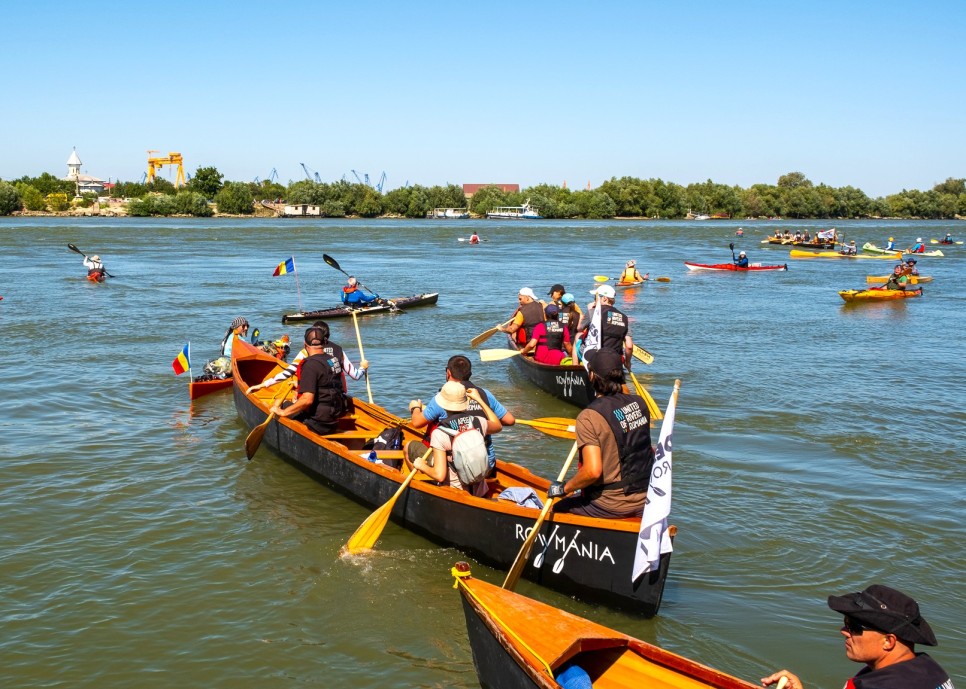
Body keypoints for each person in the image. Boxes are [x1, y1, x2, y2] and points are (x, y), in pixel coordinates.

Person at [761, 584, 952, 689]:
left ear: (888, 641)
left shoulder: (866, 686)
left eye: (853, 627)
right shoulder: (934, 672)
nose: (844, 632)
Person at [548, 349, 654, 518]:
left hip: (611, 505)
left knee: (557, 508)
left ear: (592, 376)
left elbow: (592, 471)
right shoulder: (640, 404)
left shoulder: (589, 416)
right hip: (647, 497)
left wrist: (563, 488)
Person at [409, 354, 515, 473]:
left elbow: (417, 423)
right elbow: (509, 420)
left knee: (409, 447)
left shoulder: (443, 398)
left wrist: (415, 408)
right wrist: (484, 419)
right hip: (487, 464)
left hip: (457, 467)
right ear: (469, 374)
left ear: (448, 373)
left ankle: (424, 483)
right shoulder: (485, 394)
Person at [406, 381, 502, 496]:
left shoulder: (440, 433)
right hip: (480, 490)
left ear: (443, 405)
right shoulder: (478, 421)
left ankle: (421, 491)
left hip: (455, 491)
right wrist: (479, 400)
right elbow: (498, 425)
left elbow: (439, 475)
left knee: (409, 447)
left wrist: (422, 466)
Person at [246, 320, 367, 394]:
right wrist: (363, 367)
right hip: (339, 396)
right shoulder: (339, 350)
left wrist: (262, 385)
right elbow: (355, 375)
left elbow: (287, 372)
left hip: (315, 398)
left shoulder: (306, 351)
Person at [271, 326, 350, 435]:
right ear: (324, 342)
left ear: (305, 345)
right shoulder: (333, 359)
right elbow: (326, 383)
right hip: (335, 419)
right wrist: (300, 384)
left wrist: (283, 412)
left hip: (318, 423)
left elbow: (307, 400)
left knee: (281, 404)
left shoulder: (310, 364)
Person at [577, 284, 632, 367]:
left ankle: (575, 369)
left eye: (596, 298)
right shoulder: (624, 317)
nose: (594, 300)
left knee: (578, 337)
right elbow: (629, 346)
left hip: (597, 356)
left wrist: (588, 311)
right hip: (615, 358)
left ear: (604, 298)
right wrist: (628, 362)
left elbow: (579, 328)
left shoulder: (592, 312)